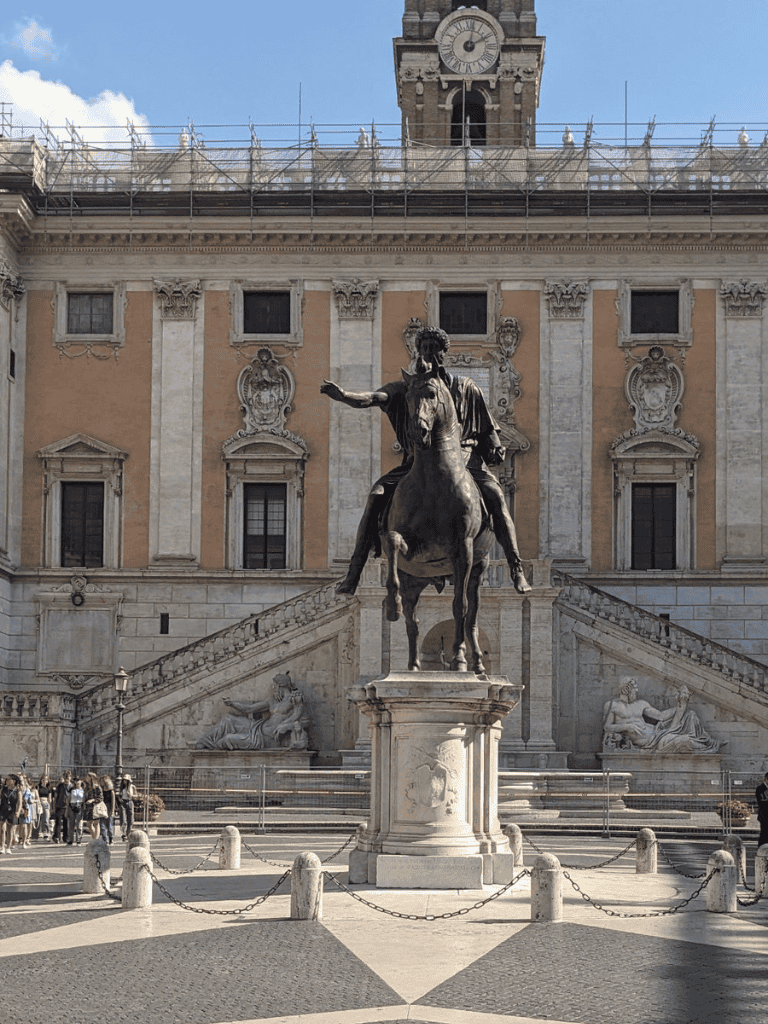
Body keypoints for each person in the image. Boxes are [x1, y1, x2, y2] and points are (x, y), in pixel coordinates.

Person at [320, 325, 531, 596]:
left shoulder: (466, 388)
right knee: (375, 496)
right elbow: (374, 398)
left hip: (467, 461)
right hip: (414, 463)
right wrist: (345, 396)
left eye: (434, 349)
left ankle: (516, 568)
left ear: (445, 353)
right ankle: (354, 573)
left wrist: (495, 447)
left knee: (496, 498)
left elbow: (489, 430)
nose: (429, 354)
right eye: (424, 349)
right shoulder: (407, 389)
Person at [195, 673, 310, 751]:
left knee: (228, 739)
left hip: (265, 738)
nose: (273, 688)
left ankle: (211, 747)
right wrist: (232, 703)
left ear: (281, 685)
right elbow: (250, 709)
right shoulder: (273, 700)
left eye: (275, 685)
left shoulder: (295, 699)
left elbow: (302, 718)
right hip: (258, 727)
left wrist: (285, 725)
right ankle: (204, 741)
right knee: (227, 719)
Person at [0, 776, 22, 854]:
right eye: (7, 779)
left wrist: (18, 811)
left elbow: (19, 803)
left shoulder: (18, 791)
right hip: (3, 810)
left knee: (10, 830)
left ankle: (8, 847)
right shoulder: (3, 789)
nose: (7, 780)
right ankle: (2, 846)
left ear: (14, 781)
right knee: (2, 829)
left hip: (12, 811)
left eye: (9, 779)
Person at [52, 771, 72, 844]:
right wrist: (54, 806)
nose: (67, 779)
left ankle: (65, 837)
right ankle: (56, 837)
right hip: (60, 806)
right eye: (65, 777)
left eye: (68, 777)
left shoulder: (72, 786)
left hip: (68, 806)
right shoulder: (60, 785)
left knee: (66, 823)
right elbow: (56, 796)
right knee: (58, 822)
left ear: (70, 777)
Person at [66, 777, 85, 845]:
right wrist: (67, 809)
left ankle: (78, 839)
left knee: (79, 824)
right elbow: (68, 799)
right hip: (72, 806)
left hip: (79, 806)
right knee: (71, 824)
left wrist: (83, 808)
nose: (77, 783)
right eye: (76, 781)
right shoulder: (71, 790)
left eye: (78, 781)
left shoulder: (83, 790)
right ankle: (70, 840)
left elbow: (84, 800)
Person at [99, 775, 117, 845]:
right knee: (102, 825)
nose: (100, 782)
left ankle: (111, 840)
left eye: (102, 781)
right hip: (102, 807)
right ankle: (104, 840)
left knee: (109, 825)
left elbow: (113, 802)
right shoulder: (101, 790)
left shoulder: (111, 791)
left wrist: (112, 811)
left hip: (109, 807)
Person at [119, 775, 137, 839]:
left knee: (131, 819)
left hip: (130, 802)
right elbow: (119, 794)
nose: (125, 781)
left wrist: (131, 795)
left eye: (126, 780)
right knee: (123, 820)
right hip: (123, 802)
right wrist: (120, 799)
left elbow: (136, 796)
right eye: (124, 780)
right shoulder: (122, 787)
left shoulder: (132, 787)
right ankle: (123, 834)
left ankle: (128, 834)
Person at [37, 775, 53, 840]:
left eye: (46, 780)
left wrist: (49, 805)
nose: (44, 781)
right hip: (39, 803)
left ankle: (45, 832)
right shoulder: (38, 787)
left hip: (46, 803)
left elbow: (49, 798)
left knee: (46, 818)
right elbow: (37, 795)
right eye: (43, 780)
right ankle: (38, 832)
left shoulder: (49, 788)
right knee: (38, 818)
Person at [755, 772, 768, 849]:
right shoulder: (760, 788)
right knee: (764, 835)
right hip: (764, 816)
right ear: (766, 779)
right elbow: (761, 802)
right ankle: (761, 850)